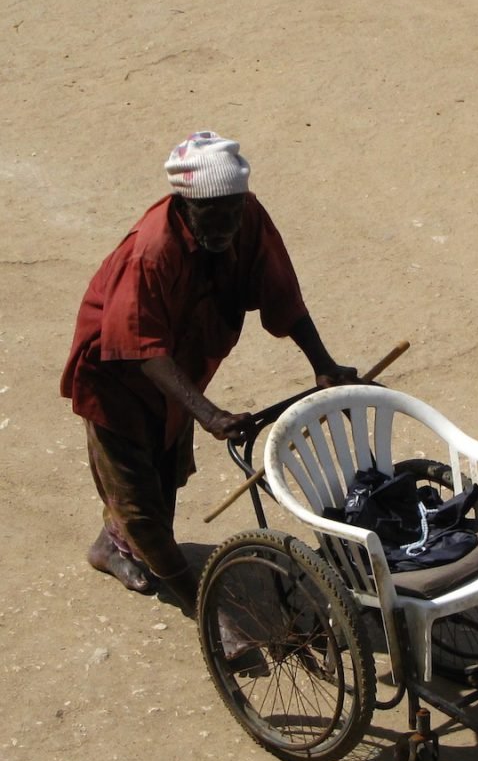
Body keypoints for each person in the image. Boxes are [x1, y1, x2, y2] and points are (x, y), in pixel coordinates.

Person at [61, 130, 357, 617]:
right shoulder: (151, 251)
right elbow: (139, 347)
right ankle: (205, 611)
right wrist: (208, 413)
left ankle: (113, 544)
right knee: (141, 502)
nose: (224, 227)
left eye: (232, 213)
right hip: (117, 379)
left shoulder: (247, 217)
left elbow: (282, 293)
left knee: (163, 476)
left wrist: (323, 365)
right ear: (184, 206)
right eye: (211, 216)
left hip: (181, 368)